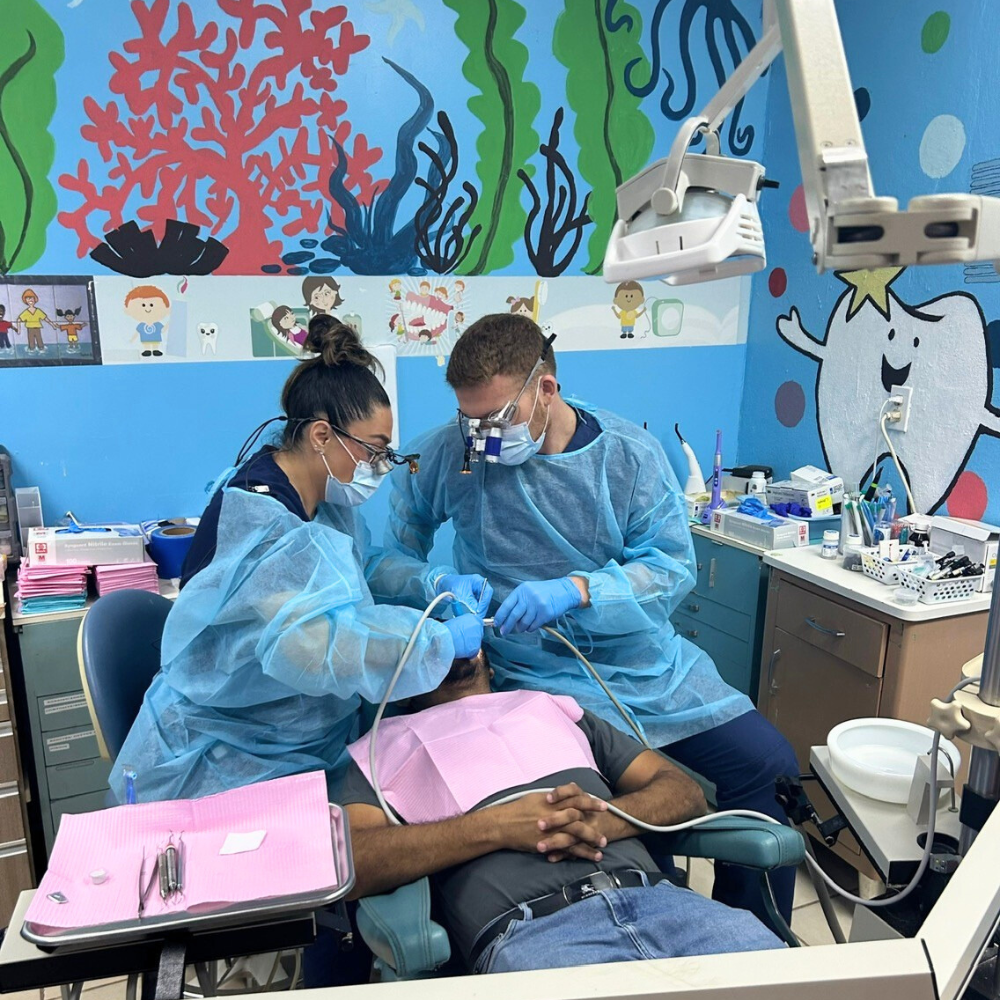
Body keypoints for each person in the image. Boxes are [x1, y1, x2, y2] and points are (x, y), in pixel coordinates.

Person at [367, 312, 799, 924]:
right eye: (469, 420)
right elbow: (387, 558)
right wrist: (433, 581)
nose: (480, 437)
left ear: (545, 389)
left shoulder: (628, 456)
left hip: (647, 667)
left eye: (495, 420)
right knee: (623, 820)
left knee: (767, 764)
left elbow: (672, 569)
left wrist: (577, 590)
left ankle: (753, 944)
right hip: (532, 675)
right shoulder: (448, 454)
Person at [111, 316, 485, 807]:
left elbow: (355, 570)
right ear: (322, 436)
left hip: (299, 732)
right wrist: (433, 643)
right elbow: (315, 645)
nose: (377, 466)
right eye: (373, 450)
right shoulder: (261, 522)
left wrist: (430, 581)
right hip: (224, 759)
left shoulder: (319, 496)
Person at [339, 649, 784, 974]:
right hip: (534, 937)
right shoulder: (382, 748)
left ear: (491, 664)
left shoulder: (554, 711)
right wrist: (494, 828)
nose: (449, 646)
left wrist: (609, 818)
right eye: (428, 643)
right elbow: (355, 863)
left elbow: (681, 790)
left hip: (671, 907)